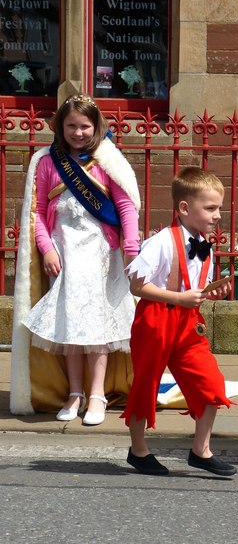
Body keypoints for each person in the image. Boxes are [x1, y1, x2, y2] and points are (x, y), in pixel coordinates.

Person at [10, 93, 141, 424]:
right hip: (64, 253)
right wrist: (47, 249)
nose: (78, 132)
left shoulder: (108, 159)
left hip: (102, 254)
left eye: (84, 126)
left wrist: (132, 249)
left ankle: (96, 394)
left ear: (95, 126)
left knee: (96, 326)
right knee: (70, 325)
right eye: (71, 126)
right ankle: (75, 392)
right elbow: (37, 213)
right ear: (60, 126)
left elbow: (125, 206)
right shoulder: (46, 162)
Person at [121, 166, 237, 477]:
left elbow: (195, 289)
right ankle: (138, 450)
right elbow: (136, 286)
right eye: (210, 208)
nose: (217, 216)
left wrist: (213, 293)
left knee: (211, 383)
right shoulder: (160, 242)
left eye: (218, 209)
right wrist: (179, 299)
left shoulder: (203, 243)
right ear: (184, 208)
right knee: (146, 385)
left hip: (188, 323)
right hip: (156, 321)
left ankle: (201, 450)